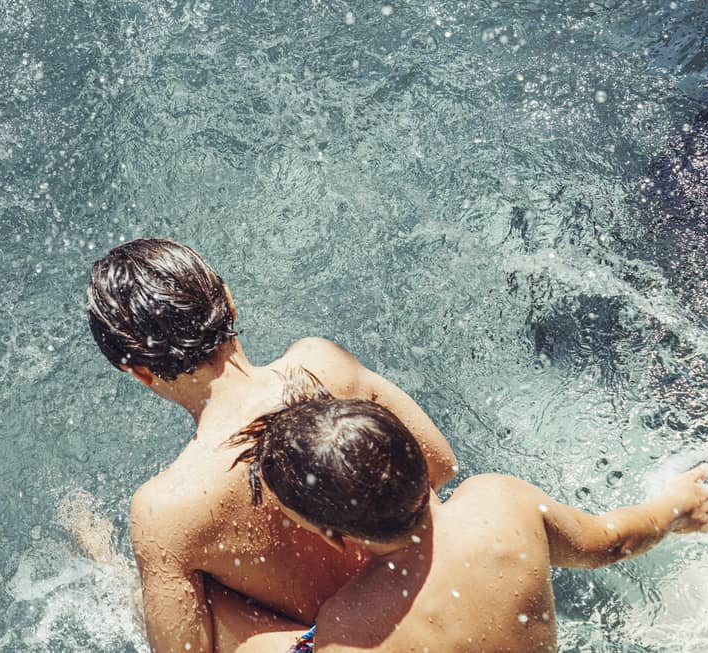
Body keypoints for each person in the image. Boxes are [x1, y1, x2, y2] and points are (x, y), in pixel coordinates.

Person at [85, 238, 459, 653]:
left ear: (139, 371)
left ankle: (110, 570)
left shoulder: (166, 507)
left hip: (336, 640)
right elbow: (439, 465)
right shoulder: (323, 363)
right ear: (228, 299)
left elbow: (183, 651)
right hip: (432, 590)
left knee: (188, 592)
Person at [212, 388, 708, 652]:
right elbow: (611, 542)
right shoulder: (501, 504)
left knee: (235, 631)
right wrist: (673, 508)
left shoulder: (349, 625)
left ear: (332, 536)